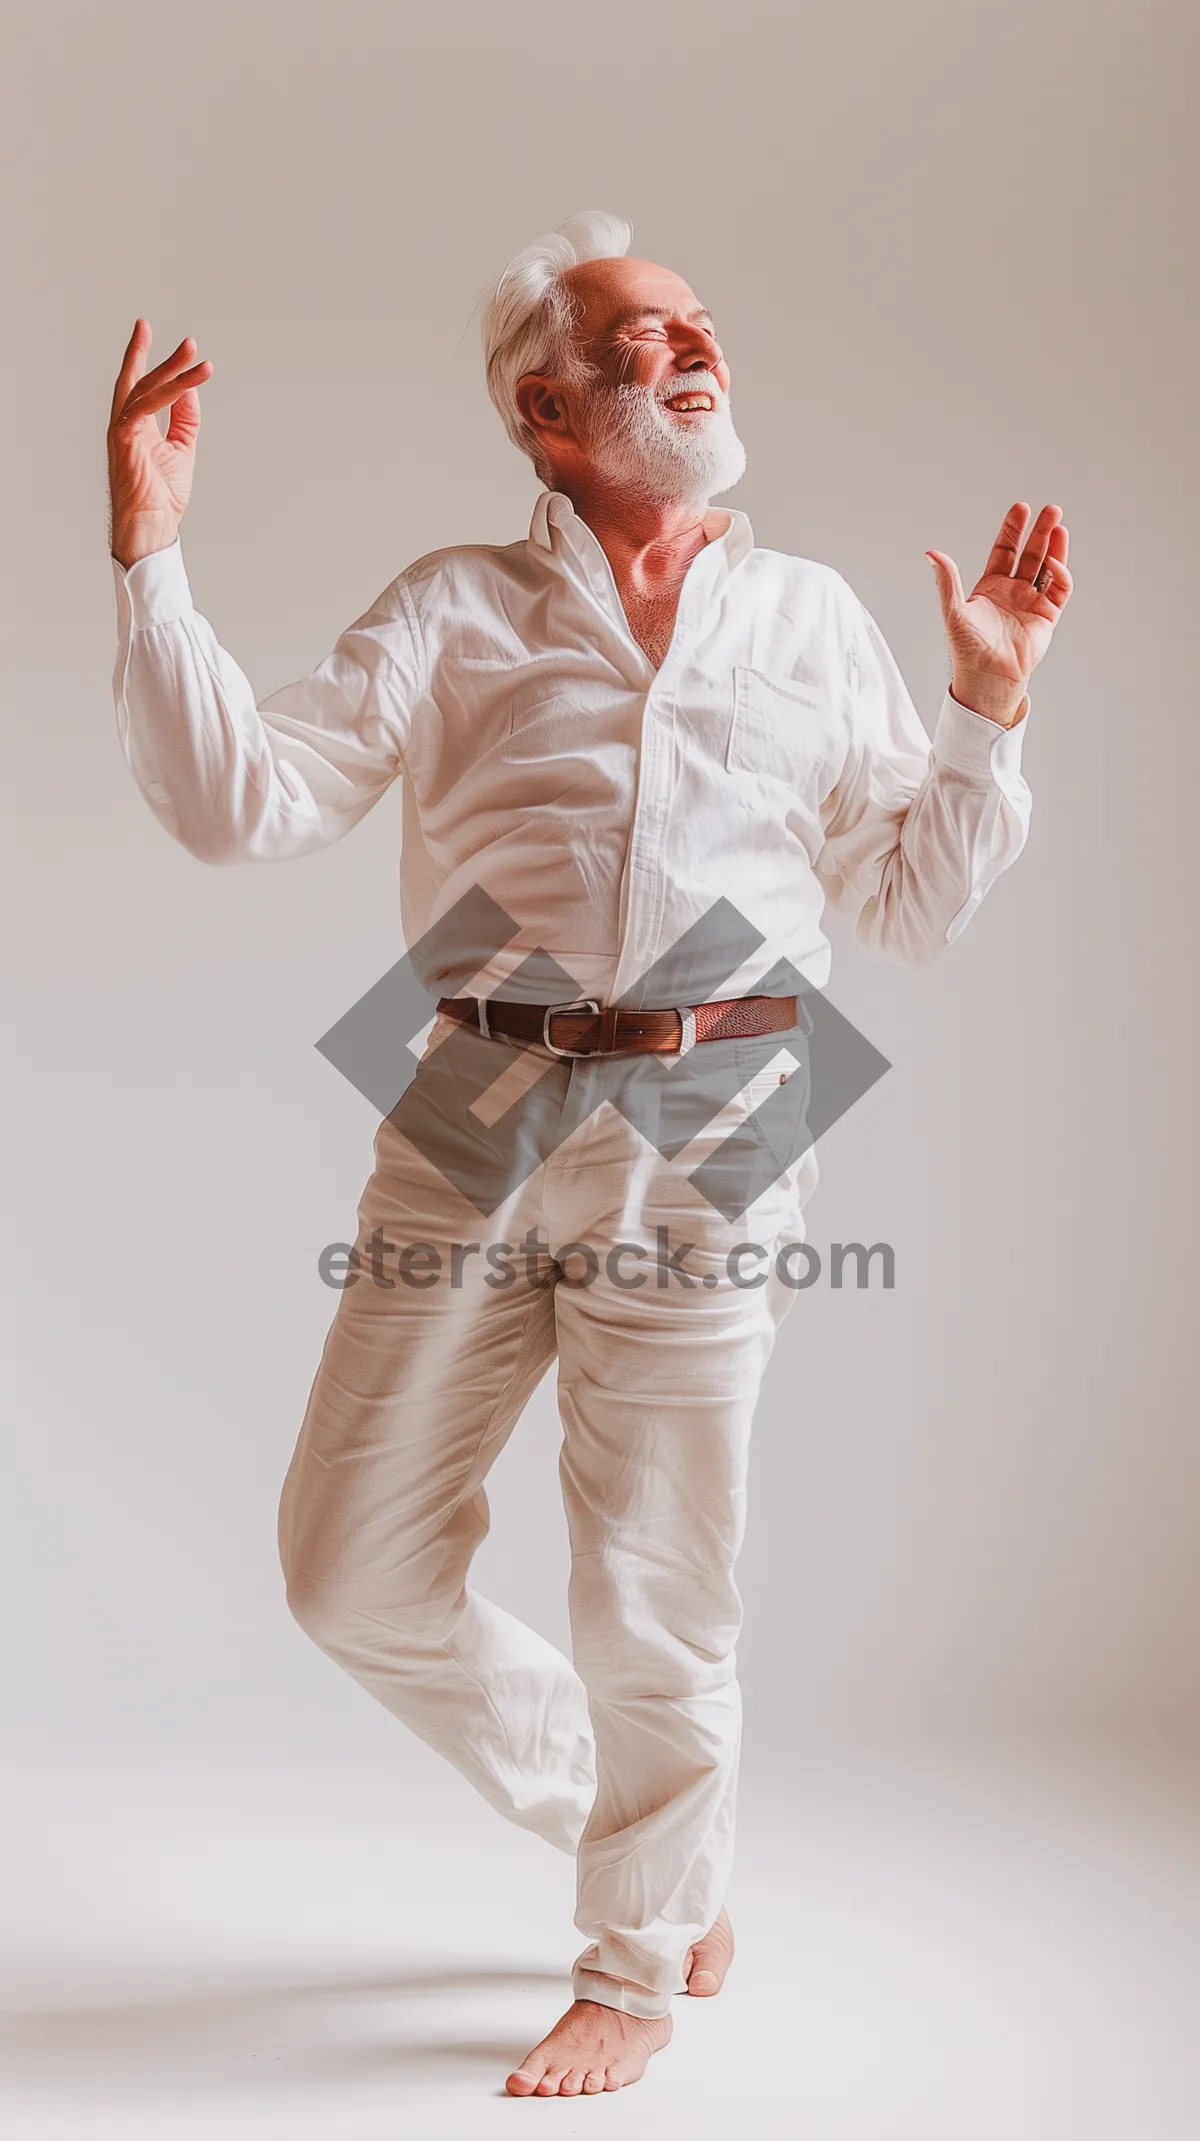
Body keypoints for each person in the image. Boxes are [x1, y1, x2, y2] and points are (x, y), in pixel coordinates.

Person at [106, 209, 1072, 2098]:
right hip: (470, 1087)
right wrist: (151, 562)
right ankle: (652, 1834)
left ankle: (637, 1955)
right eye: (641, 341)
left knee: (654, 1574)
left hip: (727, 1089)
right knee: (344, 1567)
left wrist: (989, 709)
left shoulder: (810, 619)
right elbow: (240, 805)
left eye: (701, 323)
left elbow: (909, 905)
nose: (691, 350)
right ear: (546, 409)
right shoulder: (451, 606)